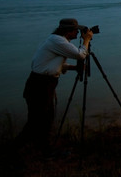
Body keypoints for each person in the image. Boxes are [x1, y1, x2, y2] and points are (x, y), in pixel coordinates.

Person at [17, 18, 94, 153]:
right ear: (68, 31)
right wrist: (86, 40)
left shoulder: (55, 41)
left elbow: (51, 63)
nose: (78, 33)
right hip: (40, 85)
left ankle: (42, 147)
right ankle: (15, 149)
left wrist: (73, 68)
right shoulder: (58, 41)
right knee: (37, 121)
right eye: (76, 30)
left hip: (42, 83)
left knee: (46, 119)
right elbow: (80, 55)